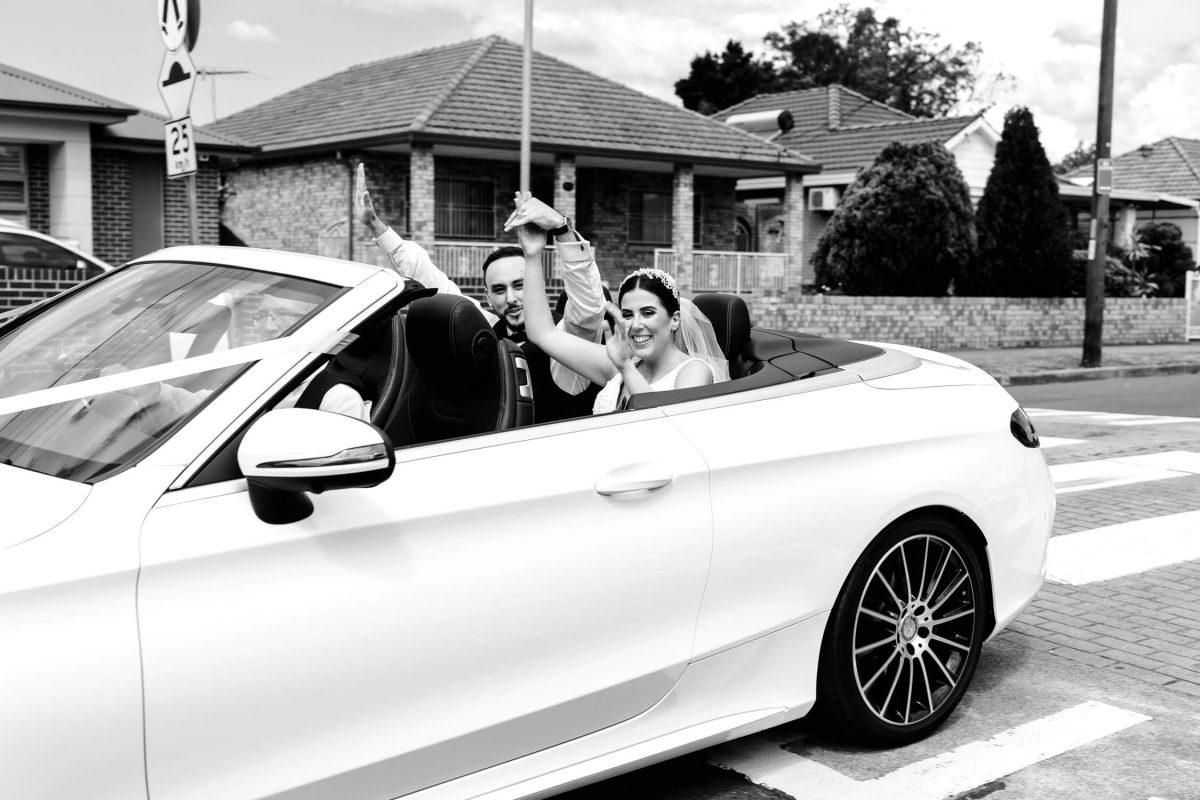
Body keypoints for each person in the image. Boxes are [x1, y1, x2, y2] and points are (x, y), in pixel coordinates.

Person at [355, 165, 606, 421]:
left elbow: (588, 307)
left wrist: (562, 230)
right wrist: (375, 225)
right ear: (487, 297)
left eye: (519, 285)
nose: (510, 298)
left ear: (535, 282)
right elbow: (430, 279)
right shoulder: (486, 328)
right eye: (499, 289)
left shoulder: (564, 335)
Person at [509, 192, 729, 414]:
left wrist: (625, 368)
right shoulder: (618, 363)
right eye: (627, 314)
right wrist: (532, 255)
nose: (636, 325)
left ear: (675, 320)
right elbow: (542, 333)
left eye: (648, 313)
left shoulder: (694, 371)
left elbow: (667, 425)